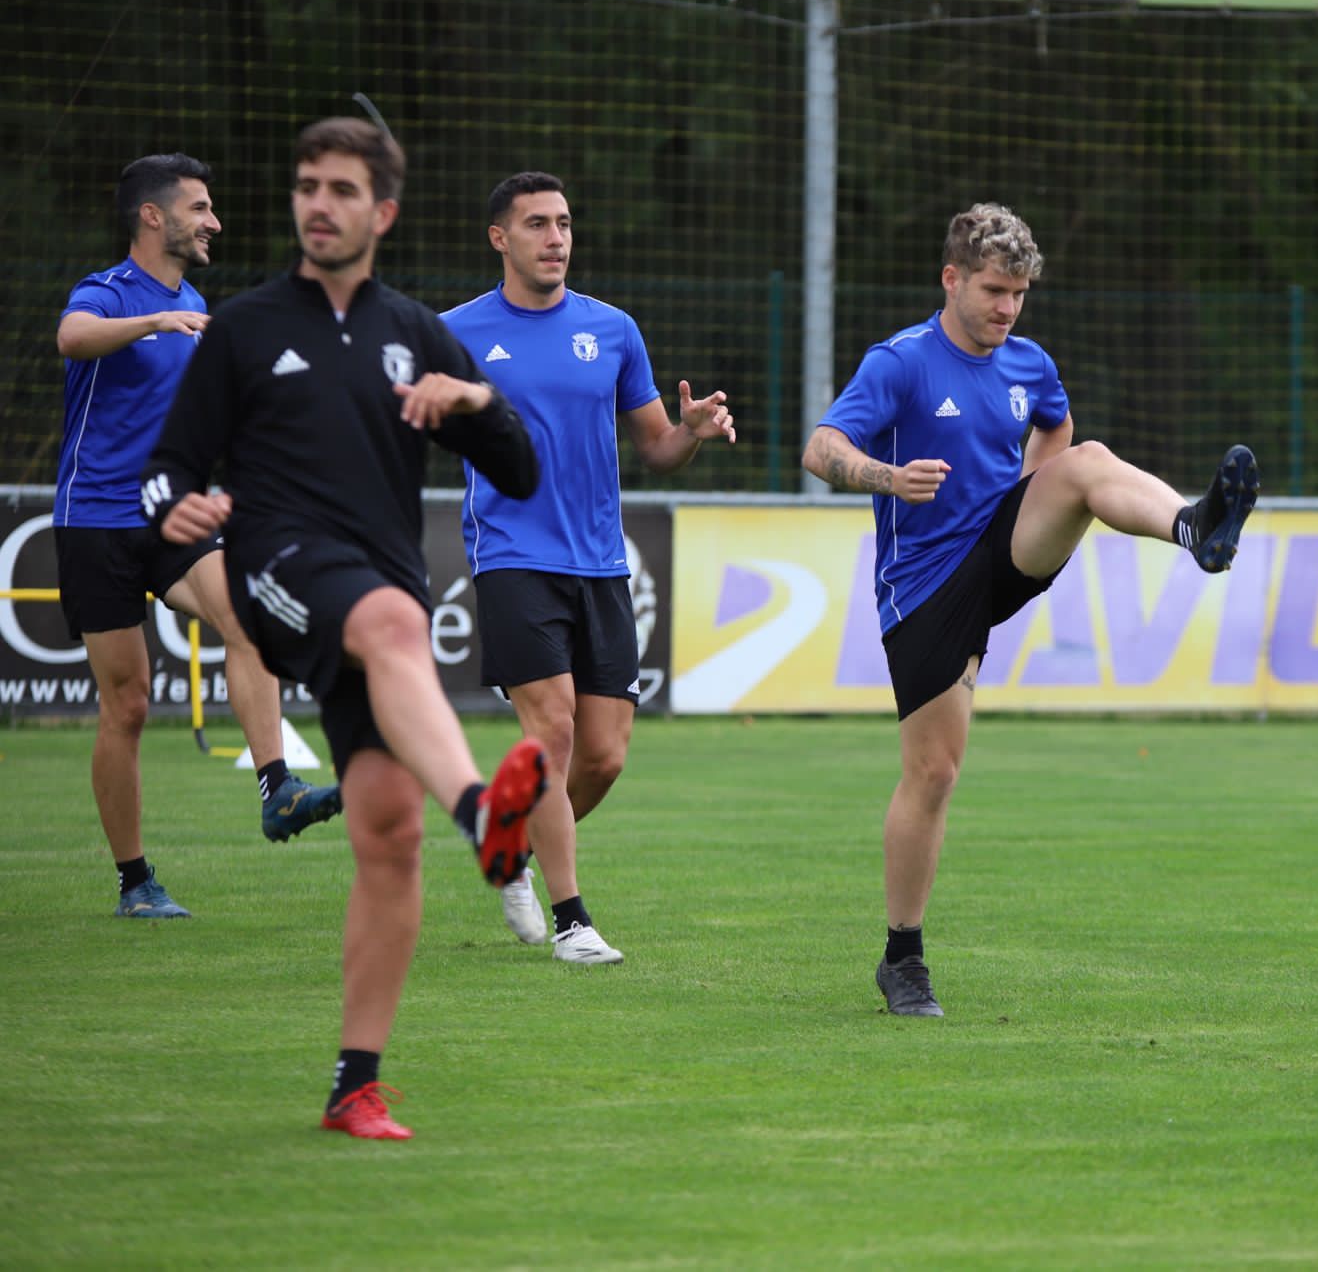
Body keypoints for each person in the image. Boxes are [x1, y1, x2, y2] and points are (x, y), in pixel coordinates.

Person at [141, 117, 547, 1141]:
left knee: (384, 833)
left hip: (381, 591)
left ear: (384, 212)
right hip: (277, 571)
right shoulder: (241, 325)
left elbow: (522, 472)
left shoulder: (415, 329)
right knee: (393, 624)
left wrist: (479, 396)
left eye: (341, 189)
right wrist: (170, 510)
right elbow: (169, 465)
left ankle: (353, 1084)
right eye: (306, 185)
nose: (318, 203)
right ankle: (481, 818)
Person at [803, 202, 1260, 1017]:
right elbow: (821, 448)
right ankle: (901, 956)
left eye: (1018, 293)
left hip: (1004, 550)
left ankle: (1194, 526)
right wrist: (885, 476)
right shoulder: (901, 361)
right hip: (925, 585)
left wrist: (1032, 491)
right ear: (951, 279)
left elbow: (1057, 425)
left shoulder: (1029, 362)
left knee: (1084, 463)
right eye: (992, 289)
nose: (1007, 307)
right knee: (934, 771)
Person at [442, 171, 735, 964]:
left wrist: (692, 428)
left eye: (565, 222)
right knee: (556, 727)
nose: (557, 237)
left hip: (602, 565)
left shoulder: (612, 330)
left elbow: (657, 448)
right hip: (510, 556)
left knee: (604, 755)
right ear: (500, 238)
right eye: (537, 223)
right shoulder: (455, 331)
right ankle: (573, 921)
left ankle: (513, 846)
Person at [55, 153, 342, 919]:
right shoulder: (110, 293)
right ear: (154, 215)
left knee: (247, 617)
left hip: (166, 514)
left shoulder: (199, 304)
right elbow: (73, 338)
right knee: (130, 706)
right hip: (93, 520)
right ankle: (133, 880)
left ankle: (277, 786)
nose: (214, 221)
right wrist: (151, 320)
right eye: (201, 207)